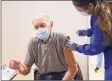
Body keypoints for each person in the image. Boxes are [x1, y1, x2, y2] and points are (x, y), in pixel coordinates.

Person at [8, 13, 79, 80]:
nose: (39, 29)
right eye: (36, 27)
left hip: (63, 76)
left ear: (51, 25)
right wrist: (19, 67)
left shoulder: (63, 39)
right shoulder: (33, 42)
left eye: (42, 25)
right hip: (43, 77)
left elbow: (73, 68)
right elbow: (26, 70)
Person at [66, 0, 112, 80]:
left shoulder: (101, 16)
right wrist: (87, 32)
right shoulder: (101, 11)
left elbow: (95, 48)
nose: (81, 13)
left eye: (80, 10)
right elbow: (103, 29)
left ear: (90, 5)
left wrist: (77, 47)